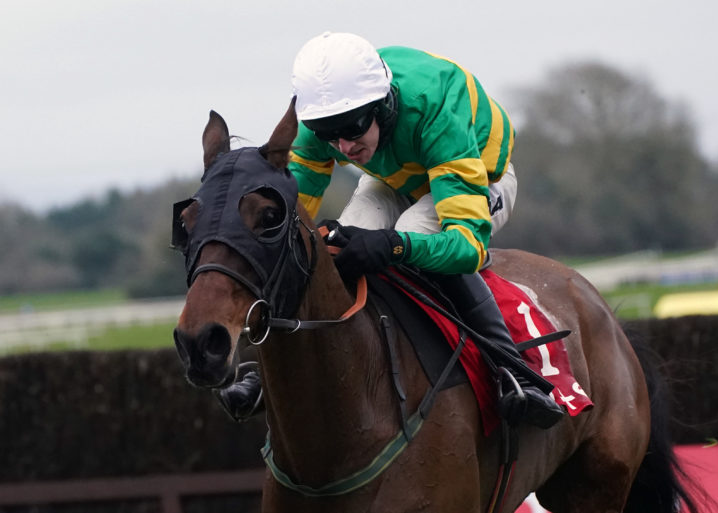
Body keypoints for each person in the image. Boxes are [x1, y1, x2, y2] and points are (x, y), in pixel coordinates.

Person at [215, 32, 564, 429]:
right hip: (395, 178)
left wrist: (394, 245)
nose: (343, 146)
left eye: (352, 128)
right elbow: (291, 224)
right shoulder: (321, 125)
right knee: (336, 245)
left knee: (413, 231)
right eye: (330, 134)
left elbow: (468, 247)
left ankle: (514, 371)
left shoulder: (434, 108)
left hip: (479, 177)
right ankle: (268, 373)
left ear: (383, 104)